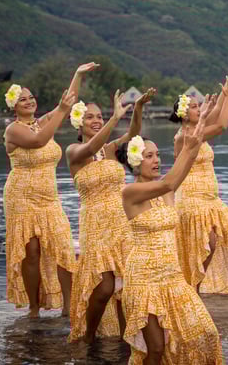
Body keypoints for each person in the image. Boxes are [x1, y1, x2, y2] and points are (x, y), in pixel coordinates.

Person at [117, 94, 224, 365]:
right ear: (134, 161)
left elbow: (186, 160)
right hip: (144, 279)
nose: (156, 160)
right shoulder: (131, 193)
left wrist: (199, 129)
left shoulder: (166, 189)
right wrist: (191, 142)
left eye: (157, 155)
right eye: (148, 156)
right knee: (155, 348)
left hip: (173, 277)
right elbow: (171, 181)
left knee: (206, 334)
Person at [2, 62, 98, 317]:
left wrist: (77, 74)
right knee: (31, 252)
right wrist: (61, 111)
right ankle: (34, 308)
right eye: (22, 99)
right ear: (13, 106)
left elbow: (68, 101)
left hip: (49, 197)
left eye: (31, 97)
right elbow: (38, 141)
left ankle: (68, 307)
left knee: (62, 246)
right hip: (21, 196)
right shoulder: (14, 130)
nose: (29, 101)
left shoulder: (43, 122)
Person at [66, 87, 155, 343]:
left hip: (121, 221)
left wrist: (137, 108)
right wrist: (115, 118)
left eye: (99, 116)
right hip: (94, 224)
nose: (96, 120)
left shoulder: (111, 150)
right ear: (79, 123)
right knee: (104, 287)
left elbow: (134, 134)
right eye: (90, 117)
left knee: (126, 284)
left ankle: (127, 341)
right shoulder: (74, 151)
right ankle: (88, 336)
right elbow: (91, 147)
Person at [171, 66, 228, 295]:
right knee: (208, 245)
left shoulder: (198, 129)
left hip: (211, 199)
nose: (199, 109)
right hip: (192, 200)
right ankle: (194, 290)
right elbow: (222, 125)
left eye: (198, 106)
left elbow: (216, 112)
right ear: (183, 113)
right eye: (194, 107)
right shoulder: (185, 136)